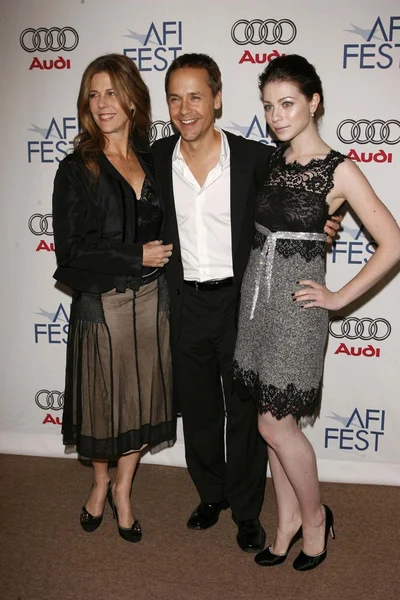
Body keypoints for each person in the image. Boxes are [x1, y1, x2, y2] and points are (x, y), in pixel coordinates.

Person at [151, 53, 341, 551]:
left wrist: (324, 221)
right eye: (175, 98)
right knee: (199, 412)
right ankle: (210, 495)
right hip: (184, 302)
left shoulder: (258, 158)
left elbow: (294, 204)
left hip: (243, 303)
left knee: (246, 415)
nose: (185, 109)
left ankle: (247, 510)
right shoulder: (155, 157)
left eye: (196, 96)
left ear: (217, 99)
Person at [233, 54, 400, 570]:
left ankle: (315, 521)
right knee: (270, 422)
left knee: (274, 425)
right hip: (257, 304)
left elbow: (392, 243)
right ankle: (285, 521)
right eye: (268, 106)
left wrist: (339, 298)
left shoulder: (339, 169)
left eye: (287, 104)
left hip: (298, 312)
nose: (276, 116)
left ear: (314, 102)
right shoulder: (273, 162)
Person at [52, 54, 175, 543]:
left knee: (142, 399)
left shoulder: (154, 160)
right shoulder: (77, 168)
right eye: (93, 94)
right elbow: (70, 250)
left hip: (153, 300)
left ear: (132, 100)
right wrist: (134, 255)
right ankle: (100, 483)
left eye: (111, 93)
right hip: (103, 303)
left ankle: (124, 487)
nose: (102, 104)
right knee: (104, 403)